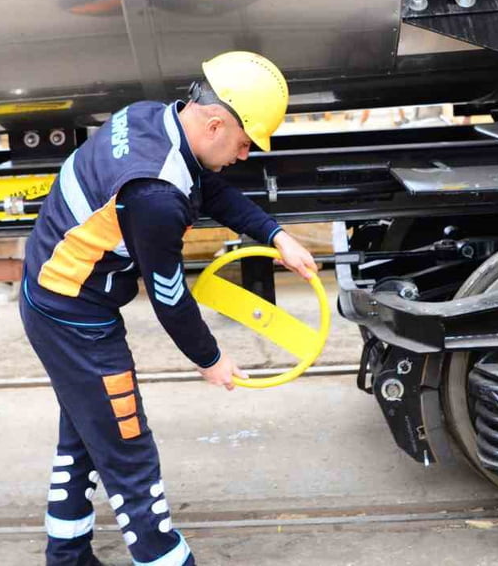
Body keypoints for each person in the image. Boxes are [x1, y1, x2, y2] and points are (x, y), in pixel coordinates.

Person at [20, 51, 318, 566]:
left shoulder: (150, 118)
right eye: (245, 141)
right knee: (127, 447)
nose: (245, 154)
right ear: (215, 123)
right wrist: (210, 359)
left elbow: (210, 190)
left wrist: (277, 236)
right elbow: (170, 297)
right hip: (73, 316)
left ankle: (66, 556)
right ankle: (160, 555)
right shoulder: (154, 195)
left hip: (55, 295)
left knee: (88, 433)